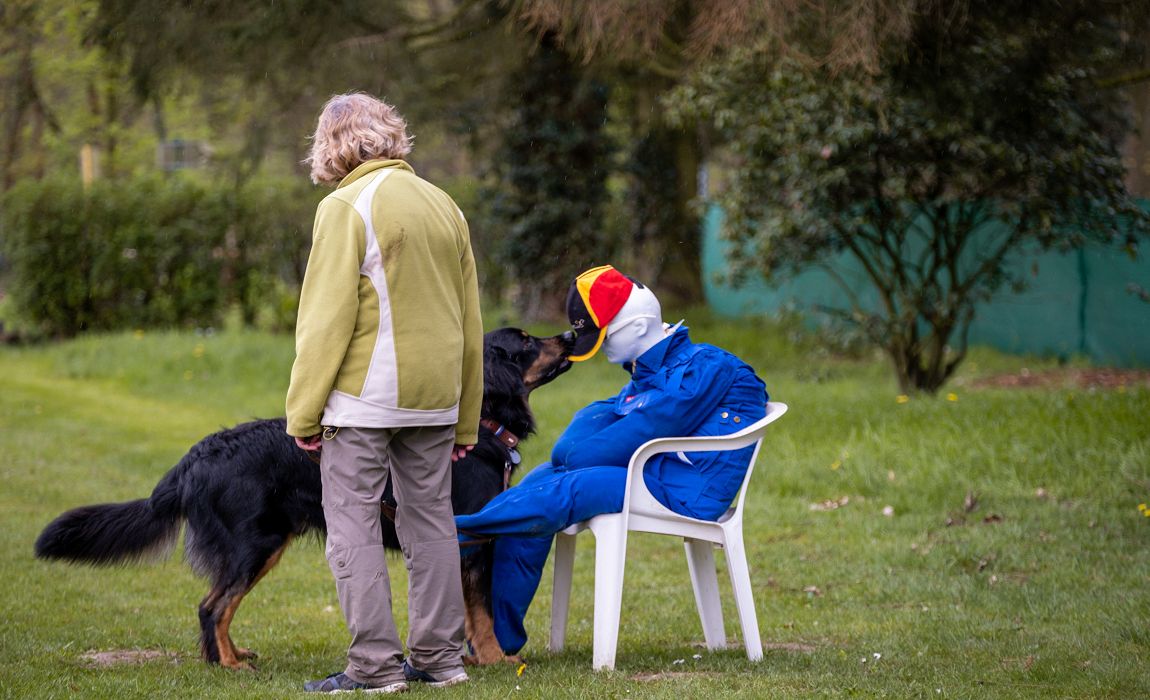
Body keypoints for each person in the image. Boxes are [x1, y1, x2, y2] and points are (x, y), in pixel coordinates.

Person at [455, 264, 770, 654]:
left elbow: (613, 440)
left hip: (686, 491)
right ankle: (497, 641)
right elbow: (577, 438)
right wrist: (589, 442)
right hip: (652, 473)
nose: (600, 347)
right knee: (542, 477)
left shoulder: (705, 369)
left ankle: (457, 529)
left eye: (603, 336)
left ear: (637, 328)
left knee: (568, 485)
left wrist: (591, 443)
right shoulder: (650, 375)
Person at [286, 93, 482, 693]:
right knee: (431, 524)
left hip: (365, 397)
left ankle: (374, 668)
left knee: (353, 525)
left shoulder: (345, 206)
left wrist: (303, 412)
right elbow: (470, 321)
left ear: (331, 144)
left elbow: (324, 321)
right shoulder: (443, 203)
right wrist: (468, 419)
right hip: (437, 396)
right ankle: (441, 660)